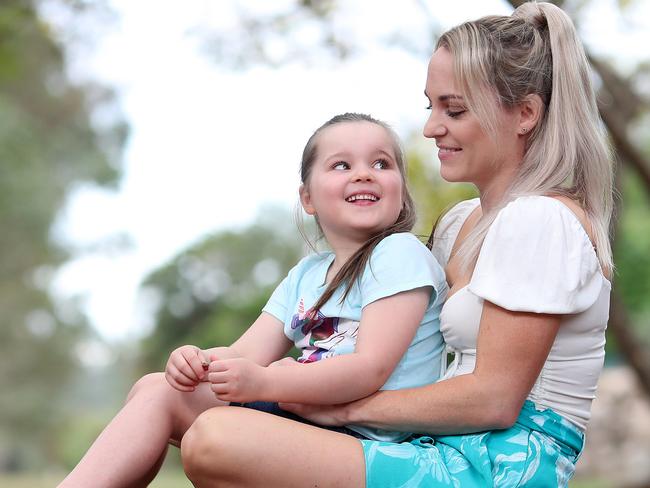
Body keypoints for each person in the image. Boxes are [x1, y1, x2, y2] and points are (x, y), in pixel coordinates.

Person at [180, 2, 613, 487]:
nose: (430, 128)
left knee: (216, 438)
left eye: (455, 109)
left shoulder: (543, 220)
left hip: (499, 464)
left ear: (526, 114)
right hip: (432, 442)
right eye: (432, 107)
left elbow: (495, 399)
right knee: (180, 404)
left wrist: (346, 408)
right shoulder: (460, 224)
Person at [57, 112, 447, 487]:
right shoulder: (308, 274)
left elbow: (369, 369)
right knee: (159, 389)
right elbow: (244, 355)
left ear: (401, 190)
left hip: (370, 441)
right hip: (306, 418)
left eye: (381, 163)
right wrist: (198, 361)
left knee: (197, 413)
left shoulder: (398, 254)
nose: (364, 173)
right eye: (342, 165)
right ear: (308, 198)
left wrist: (266, 382)